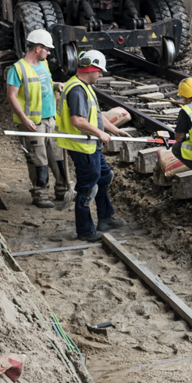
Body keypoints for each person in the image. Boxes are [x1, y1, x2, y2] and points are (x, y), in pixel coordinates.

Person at [58, 50, 130, 242]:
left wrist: (114, 130)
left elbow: (96, 116)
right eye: (99, 71)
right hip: (82, 146)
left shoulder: (85, 86)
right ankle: (85, 230)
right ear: (91, 69)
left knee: (105, 176)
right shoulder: (77, 90)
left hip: (91, 145)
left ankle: (105, 218)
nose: (101, 75)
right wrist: (99, 133)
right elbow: (77, 120)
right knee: (87, 188)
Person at [4, 28, 74, 209]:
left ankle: (62, 189)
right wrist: (23, 119)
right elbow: (12, 96)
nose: (49, 53)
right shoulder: (18, 69)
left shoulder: (43, 65)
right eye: (47, 49)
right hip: (33, 123)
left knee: (57, 156)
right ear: (38, 48)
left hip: (51, 119)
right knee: (38, 160)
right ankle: (40, 194)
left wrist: (57, 86)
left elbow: (45, 84)